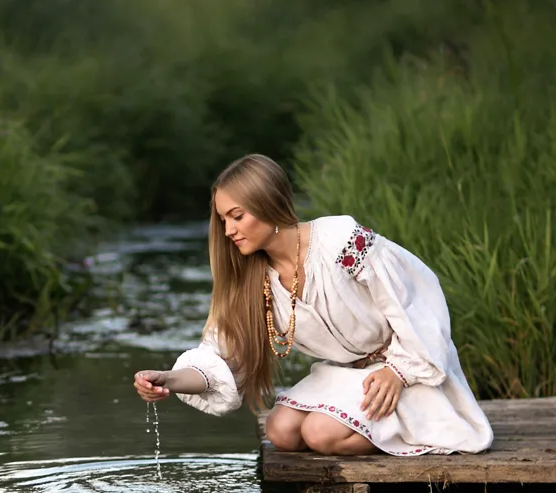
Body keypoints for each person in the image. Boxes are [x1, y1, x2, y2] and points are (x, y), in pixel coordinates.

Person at [132, 154, 492, 457]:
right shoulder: (252, 281)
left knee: (320, 434)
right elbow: (223, 356)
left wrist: (399, 371)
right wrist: (169, 380)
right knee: (281, 431)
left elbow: (413, 300)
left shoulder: (340, 241)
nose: (228, 231)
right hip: (346, 374)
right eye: (223, 219)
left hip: (405, 366)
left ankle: (409, 428)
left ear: (267, 204)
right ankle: (369, 425)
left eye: (237, 216)